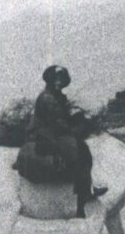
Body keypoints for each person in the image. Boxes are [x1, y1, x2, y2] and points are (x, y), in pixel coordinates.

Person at [31, 64, 108, 212]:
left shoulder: (56, 96)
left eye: (61, 79)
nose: (58, 82)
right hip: (45, 134)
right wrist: (76, 127)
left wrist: (80, 117)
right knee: (77, 148)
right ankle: (85, 191)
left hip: (53, 131)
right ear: (50, 80)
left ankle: (85, 188)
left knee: (80, 145)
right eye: (56, 79)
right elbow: (57, 122)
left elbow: (62, 117)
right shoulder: (47, 97)